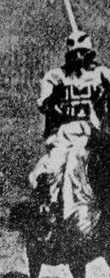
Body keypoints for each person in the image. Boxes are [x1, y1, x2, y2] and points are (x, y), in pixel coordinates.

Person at [29, 29, 110, 231]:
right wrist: (54, 96)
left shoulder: (101, 74)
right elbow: (43, 104)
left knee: (91, 167)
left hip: (92, 134)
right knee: (53, 170)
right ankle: (49, 213)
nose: (79, 59)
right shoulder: (55, 76)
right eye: (74, 55)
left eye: (84, 54)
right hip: (63, 135)